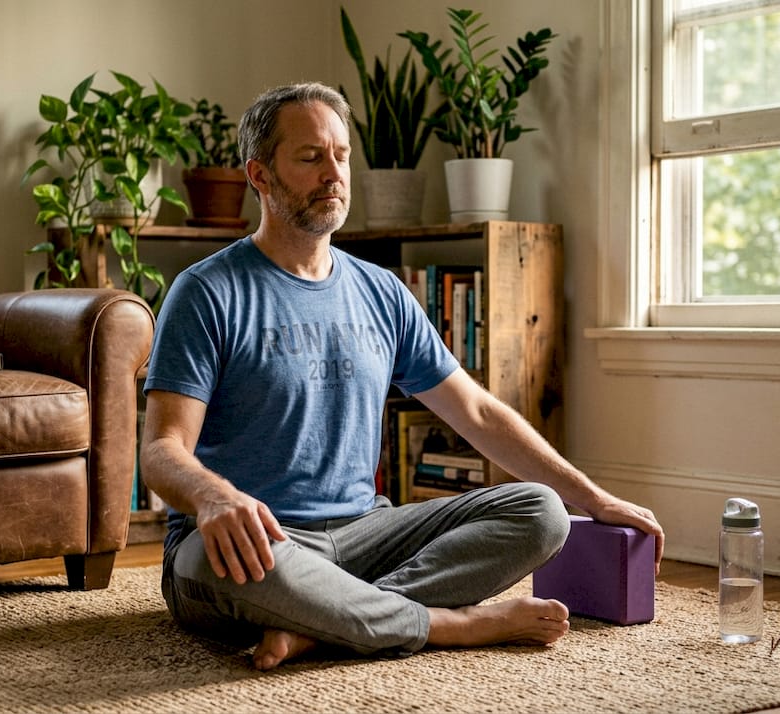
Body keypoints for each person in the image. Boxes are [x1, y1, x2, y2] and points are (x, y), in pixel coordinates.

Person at [140, 82, 664, 671]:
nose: (332, 173)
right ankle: (447, 626)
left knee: (541, 511)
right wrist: (215, 498)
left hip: (366, 534)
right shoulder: (208, 291)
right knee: (215, 561)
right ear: (259, 176)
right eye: (310, 157)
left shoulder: (382, 291)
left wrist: (593, 497)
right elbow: (161, 450)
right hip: (257, 543)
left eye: (340, 155)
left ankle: (324, 626)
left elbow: (479, 413)